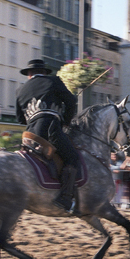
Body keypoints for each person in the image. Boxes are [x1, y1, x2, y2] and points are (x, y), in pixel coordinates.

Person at [15, 59, 79, 212]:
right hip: (50, 129)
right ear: (43, 72)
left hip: (29, 135)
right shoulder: (54, 81)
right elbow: (71, 101)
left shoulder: (20, 89)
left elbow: (19, 119)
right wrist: (65, 120)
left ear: (29, 74)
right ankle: (65, 197)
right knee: (72, 157)